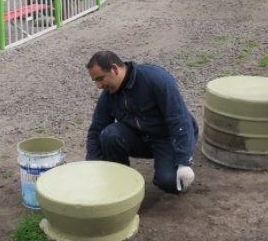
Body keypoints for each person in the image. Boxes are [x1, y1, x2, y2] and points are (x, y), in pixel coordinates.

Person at [85, 50, 199, 194]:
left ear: (114, 69)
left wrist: (184, 161)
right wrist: (92, 164)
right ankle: (121, 184)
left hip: (167, 136)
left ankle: (174, 169)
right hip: (141, 137)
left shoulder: (155, 79)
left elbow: (180, 120)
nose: (99, 86)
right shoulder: (108, 96)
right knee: (109, 135)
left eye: (100, 79)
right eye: (96, 81)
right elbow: (96, 130)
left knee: (169, 182)